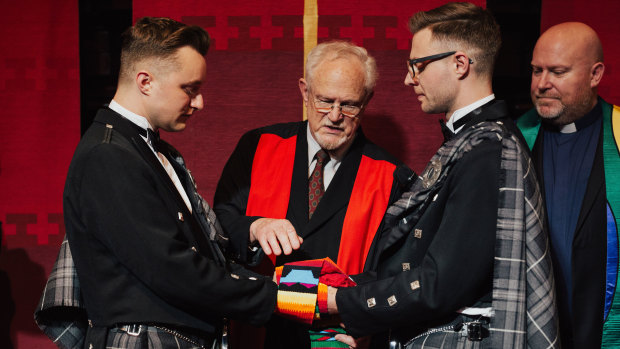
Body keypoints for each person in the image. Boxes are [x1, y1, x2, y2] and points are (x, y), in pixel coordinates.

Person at [325, 3, 558, 348]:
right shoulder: (470, 142)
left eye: (417, 65)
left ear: (460, 64)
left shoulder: (488, 150)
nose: (409, 79)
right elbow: (417, 262)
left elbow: (441, 284)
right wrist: (350, 291)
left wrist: (340, 301)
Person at [34, 17, 277, 349]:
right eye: (189, 89)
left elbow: (203, 245)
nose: (199, 102)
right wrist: (275, 297)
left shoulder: (147, 150)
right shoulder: (107, 156)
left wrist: (254, 230)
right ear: (145, 81)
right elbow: (171, 268)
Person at [213, 41, 413, 347]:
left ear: (367, 101)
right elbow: (221, 223)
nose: (334, 115)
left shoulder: (391, 176)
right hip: (259, 332)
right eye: (324, 100)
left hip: (337, 336)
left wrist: (364, 316)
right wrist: (255, 227)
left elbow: (394, 271)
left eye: (349, 104)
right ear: (305, 92)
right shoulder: (257, 145)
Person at [517, 22, 619, 348]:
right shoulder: (515, 139)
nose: (542, 84)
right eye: (536, 71)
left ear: (595, 74)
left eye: (558, 72)